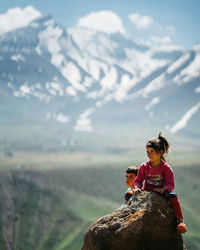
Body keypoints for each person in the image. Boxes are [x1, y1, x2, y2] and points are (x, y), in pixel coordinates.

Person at [134, 132, 187, 234]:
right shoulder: (144, 166)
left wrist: (163, 189)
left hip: (162, 193)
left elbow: (170, 184)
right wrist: (137, 187)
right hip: (147, 192)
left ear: (160, 152)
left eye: (152, 151)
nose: (149, 154)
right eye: (147, 152)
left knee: (173, 196)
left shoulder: (166, 168)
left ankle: (180, 222)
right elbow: (138, 181)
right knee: (130, 194)